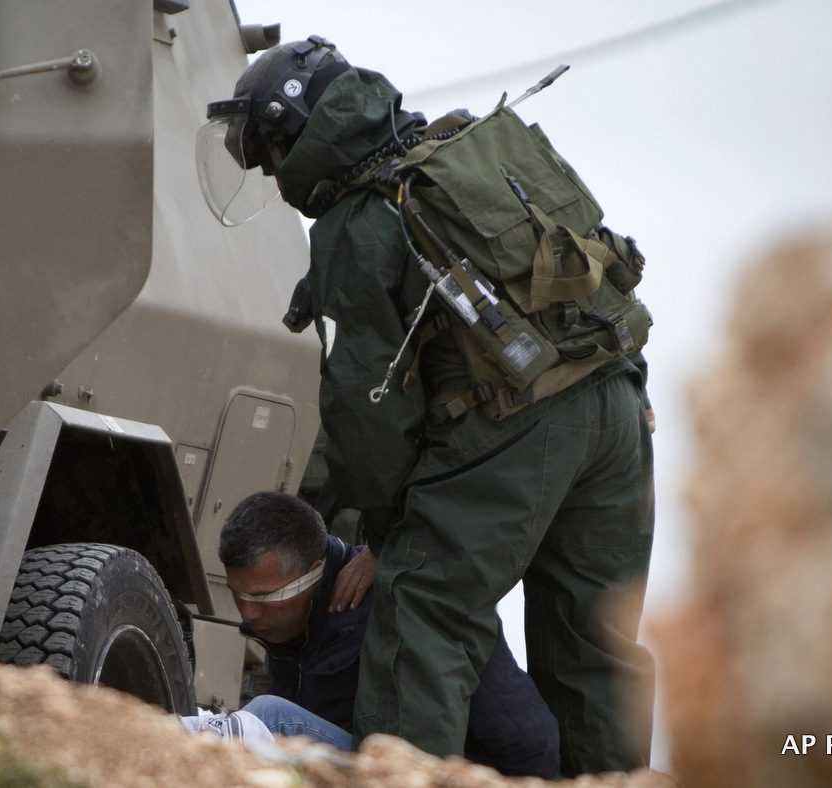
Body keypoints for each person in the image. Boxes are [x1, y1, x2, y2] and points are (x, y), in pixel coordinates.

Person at [199, 37, 656, 776]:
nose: (274, 174)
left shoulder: (356, 218)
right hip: (617, 407)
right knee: (594, 640)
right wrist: (630, 381)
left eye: (270, 154)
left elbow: (364, 411)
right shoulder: (462, 148)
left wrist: (385, 537)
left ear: (294, 139)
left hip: (516, 420)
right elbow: (588, 270)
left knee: (419, 617)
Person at [220, 491, 560, 779]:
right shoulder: (289, 623)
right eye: (240, 595)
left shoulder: (404, 601)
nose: (248, 614)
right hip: (377, 767)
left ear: (313, 573)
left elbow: (525, 734)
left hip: (448, 777)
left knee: (267, 719)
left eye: (265, 597)